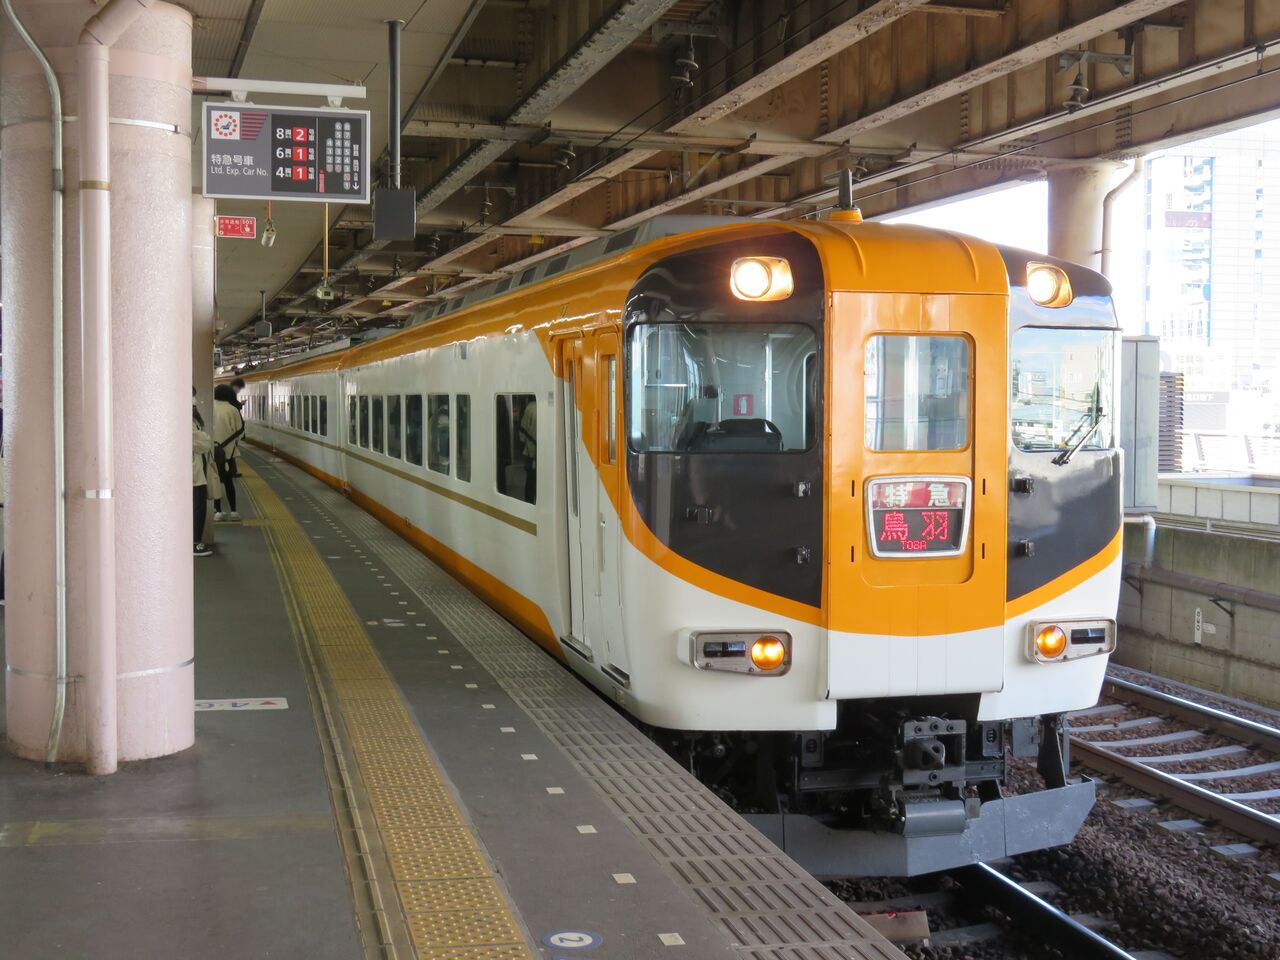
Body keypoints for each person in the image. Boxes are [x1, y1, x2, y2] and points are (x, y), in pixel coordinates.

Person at [213, 383, 244, 521]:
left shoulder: (209, 406)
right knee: (228, 482)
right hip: (228, 453)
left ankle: (218, 511)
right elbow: (240, 432)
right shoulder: (233, 410)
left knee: (214, 481)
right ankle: (233, 511)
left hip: (212, 452)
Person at [193, 394, 214, 557]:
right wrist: (206, 439)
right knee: (197, 508)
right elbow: (203, 443)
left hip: (196, 471)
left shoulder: (191, 421)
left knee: (199, 507)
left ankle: (196, 540)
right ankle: (195, 543)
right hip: (193, 474)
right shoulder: (188, 421)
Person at [518, 395, 536, 503]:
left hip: (531, 452)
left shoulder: (530, 408)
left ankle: (529, 502)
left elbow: (522, 433)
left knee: (530, 480)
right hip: (545, 454)